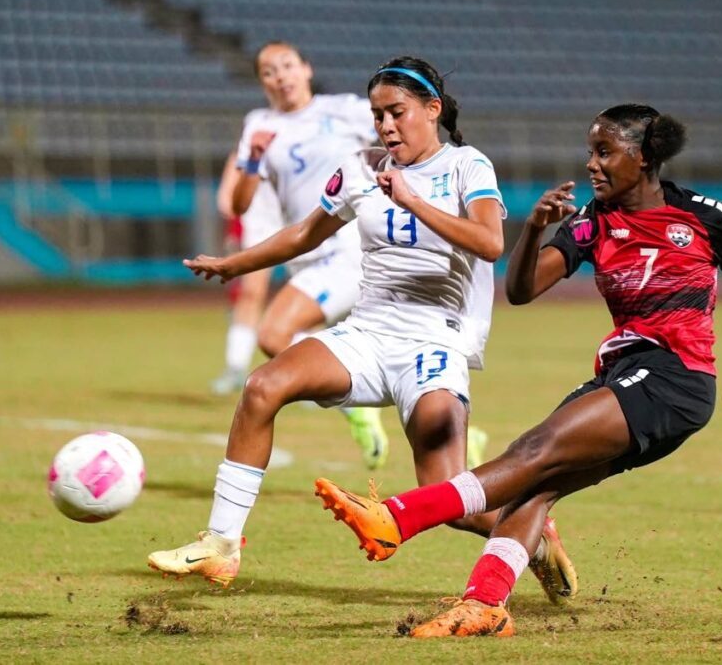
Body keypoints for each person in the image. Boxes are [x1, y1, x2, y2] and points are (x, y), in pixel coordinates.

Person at [315, 103, 722, 638]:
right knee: (536, 486)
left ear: (644, 158)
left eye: (605, 152)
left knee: (532, 452)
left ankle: (399, 517)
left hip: (675, 376)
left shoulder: (702, 214)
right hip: (623, 372)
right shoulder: (591, 223)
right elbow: (522, 290)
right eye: (589, 152)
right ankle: (485, 605)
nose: (592, 164)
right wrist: (532, 228)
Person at [147, 56, 547, 591]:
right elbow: (305, 233)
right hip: (367, 334)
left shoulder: (468, 167)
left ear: (432, 110)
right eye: (378, 114)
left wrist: (411, 199)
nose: (385, 125)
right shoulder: (361, 166)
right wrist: (232, 264)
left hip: (434, 343)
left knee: (448, 498)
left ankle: (535, 537)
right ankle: (220, 546)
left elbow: (491, 243)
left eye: (397, 112)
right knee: (263, 386)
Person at [227, 40, 391, 469]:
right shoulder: (259, 124)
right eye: (268, 71)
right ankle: (464, 440)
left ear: (306, 68)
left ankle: (356, 404)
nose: (280, 76)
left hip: (350, 247)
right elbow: (242, 203)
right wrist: (253, 160)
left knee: (273, 335)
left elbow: (402, 134)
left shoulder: (344, 109)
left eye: (286, 66)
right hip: (306, 254)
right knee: (387, 356)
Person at [210, 151, 282, 396]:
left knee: (312, 296)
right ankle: (235, 367)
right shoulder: (256, 136)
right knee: (251, 293)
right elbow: (226, 200)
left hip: (301, 217)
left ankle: (316, 376)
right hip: (262, 221)